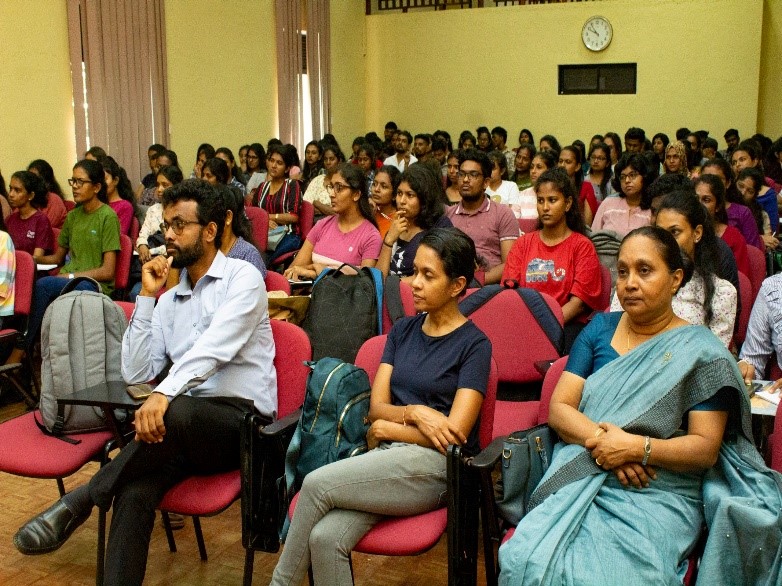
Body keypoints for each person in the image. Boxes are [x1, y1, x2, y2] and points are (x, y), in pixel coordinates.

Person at [13, 179, 277, 586]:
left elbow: (214, 349)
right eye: (167, 224)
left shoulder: (244, 279)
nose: (168, 234)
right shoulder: (169, 299)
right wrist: (148, 298)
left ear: (209, 231)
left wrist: (163, 394)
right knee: (134, 493)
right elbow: (136, 373)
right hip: (176, 432)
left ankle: (82, 498)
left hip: (240, 428)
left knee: (180, 409)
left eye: (180, 225)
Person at [500, 225, 781, 585]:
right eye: (622, 271)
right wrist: (610, 448)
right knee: (525, 559)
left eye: (645, 271)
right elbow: (560, 410)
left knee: (624, 575)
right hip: (585, 465)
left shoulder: (701, 352)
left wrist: (637, 448)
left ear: (675, 279)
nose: (630, 282)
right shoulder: (599, 329)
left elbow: (704, 449)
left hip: (658, 486)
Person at [271, 227, 491, 586]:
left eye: (428, 275)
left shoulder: (474, 345)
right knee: (325, 539)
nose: (414, 283)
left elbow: (455, 434)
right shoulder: (403, 330)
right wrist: (416, 414)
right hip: (387, 455)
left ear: (457, 285)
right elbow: (376, 408)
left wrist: (390, 428)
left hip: (436, 468)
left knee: (315, 484)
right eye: (413, 272)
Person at [6, 160, 120, 366]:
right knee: (36, 280)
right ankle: (28, 355)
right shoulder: (73, 216)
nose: (74, 186)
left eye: (80, 182)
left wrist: (69, 277)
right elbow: (56, 258)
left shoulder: (107, 216)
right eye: (73, 181)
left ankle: (20, 349)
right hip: (69, 280)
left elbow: (108, 271)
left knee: (43, 285)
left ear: (96, 187)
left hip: (94, 285)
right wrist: (27, 260)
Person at [611, 191, 737, 347]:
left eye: (674, 232)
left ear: (697, 233)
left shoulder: (722, 292)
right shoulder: (631, 284)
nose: (666, 241)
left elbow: (713, 361)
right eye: (659, 232)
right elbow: (613, 334)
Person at [502, 168, 603, 350]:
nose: (545, 207)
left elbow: (578, 304)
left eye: (552, 200)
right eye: (540, 201)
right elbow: (510, 292)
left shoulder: (582, 246)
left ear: (568, 203)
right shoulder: (523, 243)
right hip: (524, 324)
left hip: (567, 325)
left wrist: (544, 325)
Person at [283, 164, 381, 281]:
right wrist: (313, 269)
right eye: (331, 187)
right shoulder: (322, 225)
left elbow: (365, 286)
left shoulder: (371, 236)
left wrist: (320, 273)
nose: (332, 194)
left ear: (356, 195)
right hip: (309, 294)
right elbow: (294, 268)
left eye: (339, 188)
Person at [446, 148, 518, 284]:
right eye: (462, 174)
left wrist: (476, 281)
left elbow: (510, 264)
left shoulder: (502, 213)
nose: (466, 180)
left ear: (486, 182)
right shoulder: (448, 215)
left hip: (488, 287)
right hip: (451, 288)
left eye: (473, 175)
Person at [377, 164, 453, 279]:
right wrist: (388, 241)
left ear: (424, 198)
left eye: (410, 195)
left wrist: (391, 286)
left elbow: (430, 278)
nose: (402, 201)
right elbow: (379, 278)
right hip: (390, 293)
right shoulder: (396, 226)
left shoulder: (440, 227)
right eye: (399, 193)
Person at [251, 144, 303, 262]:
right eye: (272, 161)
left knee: (262, 260)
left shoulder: (292, 185)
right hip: (265, 233)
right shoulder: (262, 187)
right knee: (249, 253)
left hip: (288, 235)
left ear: (287, 168)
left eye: (279, 163)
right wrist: (266, 222)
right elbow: (253, 214)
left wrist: (267, 217)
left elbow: (293, 216)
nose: (273, 165)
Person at [701, 158, 763, 250]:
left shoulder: (742, 213)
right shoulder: (692, 209)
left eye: (717, 179)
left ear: (728, 183)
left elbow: (753, 251)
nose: (710, 185)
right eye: (706, 179)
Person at [694, 174, 750, 278]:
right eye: (696, 198)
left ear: (718, 206)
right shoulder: (686, 234)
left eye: (706, 200)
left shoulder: (733, 237)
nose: (699, 204)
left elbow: (741, 280)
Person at [592, 153, 653, 237]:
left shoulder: (653, 207)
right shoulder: (608, 203)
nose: (627, 180)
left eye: (632, 175)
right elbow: (593, 237)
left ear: (645, 176)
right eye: (623, 177)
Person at [6, 171, 55, 258]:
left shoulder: (41, 220)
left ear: (31, 196)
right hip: (10, 267)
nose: (11, 194)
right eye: (10, 189)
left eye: (17, 190)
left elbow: (37, 257)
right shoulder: (10, 219)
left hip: (32, 269)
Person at [737, 167, 778, 248]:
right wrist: (760, 238)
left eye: (750, 191)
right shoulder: (723, 207)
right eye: (741, 186)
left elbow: (769, 241)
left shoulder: (761, 214)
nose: (743, 192)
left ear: (755, 195)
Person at [557, 145, 598, 226]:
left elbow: (587, 224)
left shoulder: (586, 187)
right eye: (560, 161)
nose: (562, 165)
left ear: (577, 166)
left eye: (568, 162)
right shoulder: (553, 187)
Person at [303, 143, 344, 219]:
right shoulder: (317, 180)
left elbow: (338, 212)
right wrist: (326, 210)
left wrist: (317, 204)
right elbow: (306, 207)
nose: (328, 162)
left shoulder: (344, 183)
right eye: (325, 159)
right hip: (315, 223)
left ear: (339, 161)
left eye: (332, 159)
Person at [513, 150, 557, 220]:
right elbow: (513, 222)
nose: (533, 171)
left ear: (549, 170)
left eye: (539, 167)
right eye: (532, 167)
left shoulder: (556, 195)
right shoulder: (522, 195)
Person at [27, 159, 68, 229]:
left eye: (35, 178)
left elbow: (43, 228)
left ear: (47, 182)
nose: (32, 182)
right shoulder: (29, 199)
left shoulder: (54, 199)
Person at [101, 156, 136, 236]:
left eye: (105, 179)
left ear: (115, 180)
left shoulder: (125, 206)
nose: (101, 184)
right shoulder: (97, 203)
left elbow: (118, 236)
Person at [370, 165, 401, 240]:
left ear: (394, 195)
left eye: (383, 186)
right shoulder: (370, 210)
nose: (376, 189)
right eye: (374, 184)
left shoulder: (398, 221)